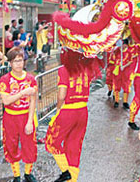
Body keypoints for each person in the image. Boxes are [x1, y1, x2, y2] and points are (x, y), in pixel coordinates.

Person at [45, 49, 103, 182]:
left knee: (51, 142)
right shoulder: (86, 68)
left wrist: (58, 109)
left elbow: (61, 94)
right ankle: (73, 179)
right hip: (82, 111)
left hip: (68, 110)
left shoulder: (64, 69)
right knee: (74, 147)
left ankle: (66, 172)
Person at [0, 47, 38, 182]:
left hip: (26, 116)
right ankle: (16, 175)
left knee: (29, 145)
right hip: (10, 117)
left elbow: (33, 101)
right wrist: (22, 93)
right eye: (15, 61)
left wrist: (29, 121)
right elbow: (6, 101)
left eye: (20, 60)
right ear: (10, 63)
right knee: (11, 145)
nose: (18, 64)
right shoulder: (5, 80)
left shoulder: (31, 79)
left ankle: (28, 173)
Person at [111, 39, 135, 109]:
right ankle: (116, 101)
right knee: (116, 85)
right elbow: (113, 58)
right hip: (117, 70)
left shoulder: (129, 52)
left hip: (125, 71)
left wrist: (124, 66)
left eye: (124, 44)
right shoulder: (117, 51)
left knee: (126, 85)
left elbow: (130, 61)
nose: (123, 46)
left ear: (126, 45)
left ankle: (125, 101)